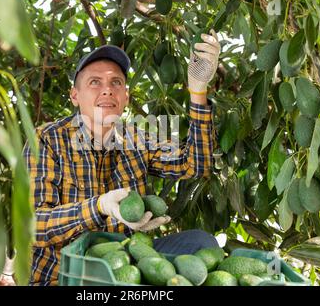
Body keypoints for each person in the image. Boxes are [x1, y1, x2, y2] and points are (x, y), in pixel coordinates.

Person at [24, 30, 221, 286]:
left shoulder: (137, 139)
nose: (107, 90)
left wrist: (197, 91)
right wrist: (99, 206)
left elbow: (196, 165)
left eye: (116, 83)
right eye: (95, 82)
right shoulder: (46, 139)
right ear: (75, 96)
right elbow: (34, 225)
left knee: (200, 243)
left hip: (125, 268)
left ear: (125, 97)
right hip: (65, 276)